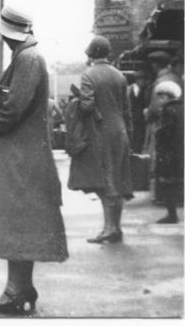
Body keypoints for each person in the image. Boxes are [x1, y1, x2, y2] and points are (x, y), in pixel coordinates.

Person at [0, 5, 67, 315]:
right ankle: (20, 289)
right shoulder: (29, 56)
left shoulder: (27, 59)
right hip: (23, 153)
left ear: (6, 32)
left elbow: (12, 111)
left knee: (15, 221)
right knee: (19, 221)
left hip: (20, 156)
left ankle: (16, 291)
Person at [66, 35, 134, 243]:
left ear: (90, 54)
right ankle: (117, 228)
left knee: (105, 181)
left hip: (100, 131)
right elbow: (126, 110)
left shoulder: (89, 75)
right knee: (119, 179)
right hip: (119, 130)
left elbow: (86, 106)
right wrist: (129, 135)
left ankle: (108, 229)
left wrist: (76, 100)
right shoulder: (120, 76)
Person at [153, 81, 183, 224]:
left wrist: (160, 149)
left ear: (168, 97)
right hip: (180, 151)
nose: (159, 101)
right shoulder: (182, 108)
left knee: (167, 183)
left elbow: (166, 133)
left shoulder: (168, 111)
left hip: (170, 153)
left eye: (161, 97)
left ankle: (172, 215)